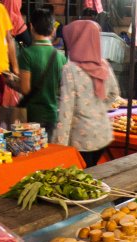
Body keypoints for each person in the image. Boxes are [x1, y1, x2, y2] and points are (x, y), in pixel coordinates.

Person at [54, 20, 119, 167]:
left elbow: (66, 110)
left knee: (82, 181)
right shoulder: (103, 65)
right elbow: (114, 93)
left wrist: (59, 146)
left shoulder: (71, 69)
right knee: (92, 176)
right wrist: (98, 109)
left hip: (82, 139)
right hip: (102, 134)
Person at [18, 8, 67, 139]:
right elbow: (63, 89)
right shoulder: (60, 57)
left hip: (32, 116)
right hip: (52, 115)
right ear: (53, 30)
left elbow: (25, 89)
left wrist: (12, 82)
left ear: (31, 27)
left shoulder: (26, 54)